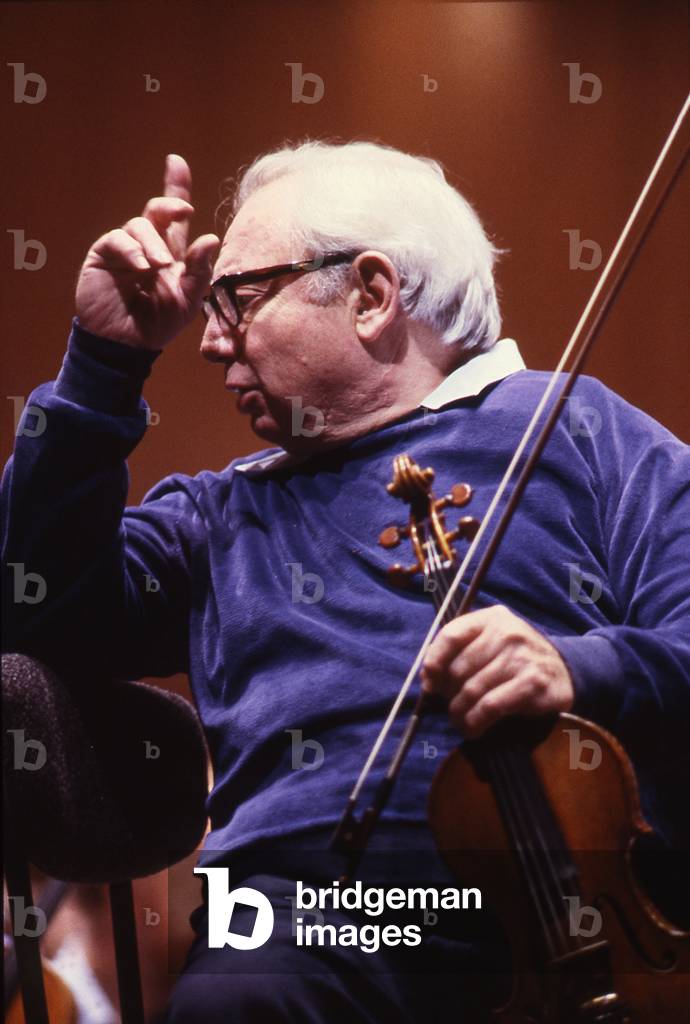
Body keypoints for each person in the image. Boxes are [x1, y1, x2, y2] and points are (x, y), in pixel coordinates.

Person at [2, 142, 688, 1023]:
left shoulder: (581, 431)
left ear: (371, 295)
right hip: (306, 935)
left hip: (587, 914)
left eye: (239, 298)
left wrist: (582, 669)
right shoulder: (222, 514)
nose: (209, 342)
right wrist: (102, 367)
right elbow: (34, 613)